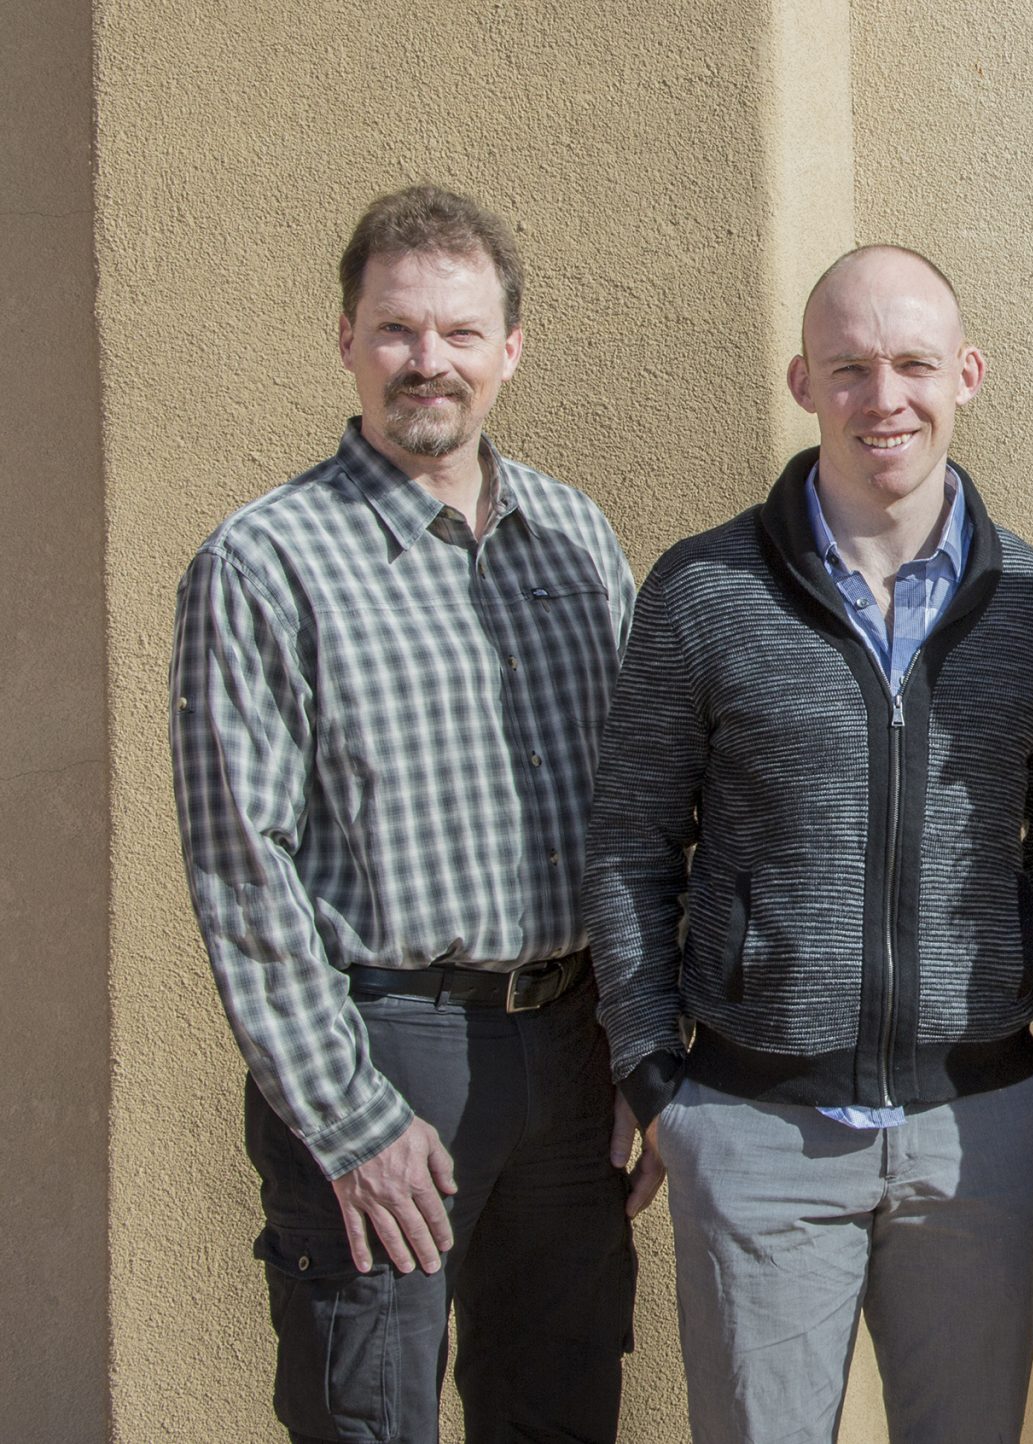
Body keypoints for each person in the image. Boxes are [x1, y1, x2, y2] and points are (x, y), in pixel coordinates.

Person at [581, 244, 1033, 1444]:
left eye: (914, 364)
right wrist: (655, 1081)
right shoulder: (703, 590)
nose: (886, 399)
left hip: (978, 1136)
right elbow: (630, 841)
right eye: (851, 368)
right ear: (802, 381)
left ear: (967, 373)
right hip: (755, 1135)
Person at [169, 183, 641, 1444]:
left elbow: (645, 817)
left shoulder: (578, 542)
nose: (428, 362)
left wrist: (647, 1054)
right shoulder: (265, 561)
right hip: (385, 1052)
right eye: (396, 330)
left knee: (560, 1407)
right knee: (369, 1414)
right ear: (346, 339)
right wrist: (348, 1117)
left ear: (509, 351)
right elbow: (240, 866)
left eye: (458, 332)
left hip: (574, 1047)